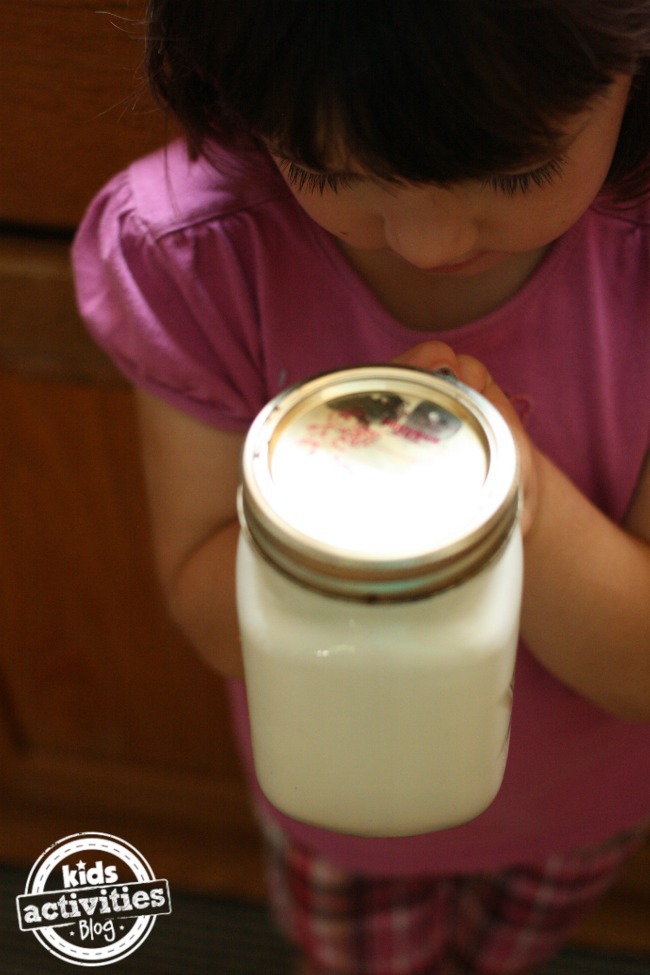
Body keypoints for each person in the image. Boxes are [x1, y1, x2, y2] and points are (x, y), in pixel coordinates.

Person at [72, 2, 650, 972]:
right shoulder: (196, 256)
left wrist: (506, 491)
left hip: (580, 796)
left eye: (518, 170)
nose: (425, 242)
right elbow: (213, 613)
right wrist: (339, 488)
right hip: (336, 791)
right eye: (327, 171)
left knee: (512, 950)